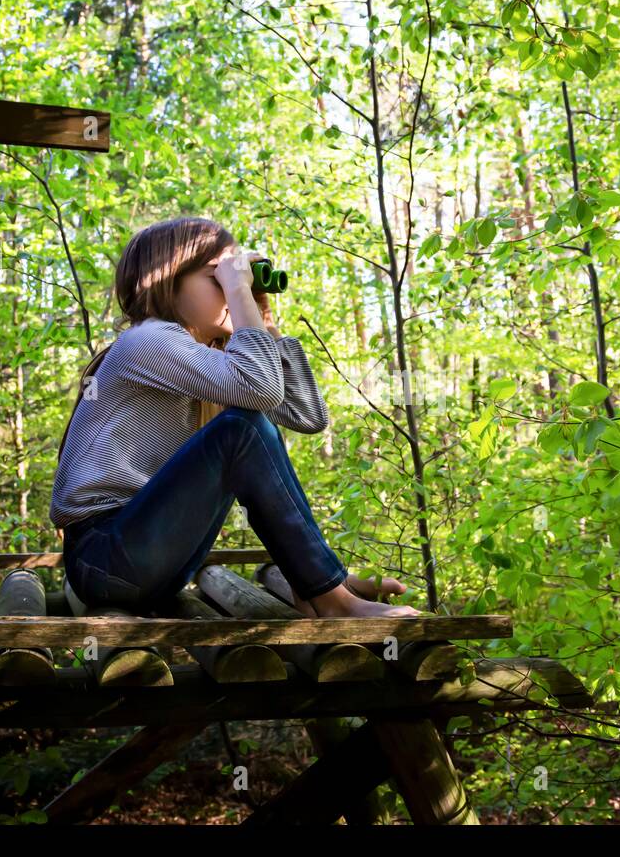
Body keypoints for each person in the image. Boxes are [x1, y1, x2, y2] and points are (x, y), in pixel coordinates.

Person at [50, 216, 422, 619]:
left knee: (248, 427)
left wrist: (263, 323)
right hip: (105, 557)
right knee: (240, 430)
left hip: (144, 559)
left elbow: (307, 415)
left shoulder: (204, 358)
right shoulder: (148, 340)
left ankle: (318, 582)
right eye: (220, 278)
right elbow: (259, 394)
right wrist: (241, 296)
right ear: (167, 281)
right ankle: (331, 600)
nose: (233, 289)